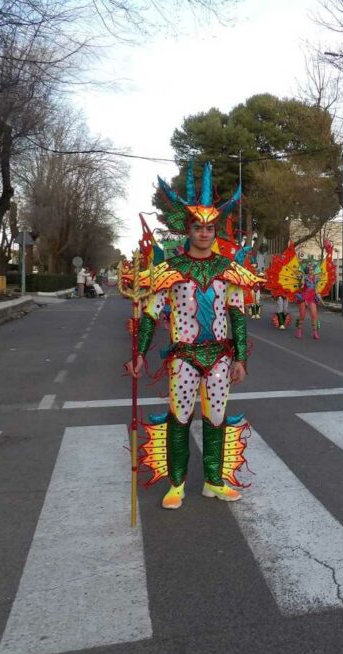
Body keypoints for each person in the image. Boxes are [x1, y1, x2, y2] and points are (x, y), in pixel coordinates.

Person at [125, 161, 262, 509]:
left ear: (216, 231)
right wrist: (139, 353)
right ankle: (177, 484)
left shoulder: (229, 271)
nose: (204, 233)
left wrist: (241, 357)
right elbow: (151, 315)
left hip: (218, 357)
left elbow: (237, 315)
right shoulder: (168, 272)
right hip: (183, 358)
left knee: (216, 419)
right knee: (179, 419)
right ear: (187, 229)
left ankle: (214, 481)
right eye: (197, 227)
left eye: (210, 227)